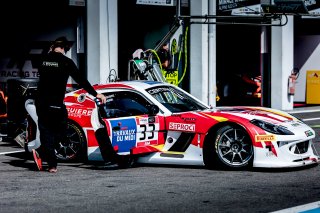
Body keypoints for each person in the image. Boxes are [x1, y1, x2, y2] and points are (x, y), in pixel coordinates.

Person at [32, 36, 106, 173]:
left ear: (52, 46)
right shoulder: (67, 62)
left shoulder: (42, 60)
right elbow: (81, 80)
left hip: (42, 103)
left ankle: (45, 156)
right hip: (56, 104)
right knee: (61, 132)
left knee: (46, 132)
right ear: (65, 49)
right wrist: (96, 94)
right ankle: (50, 162)